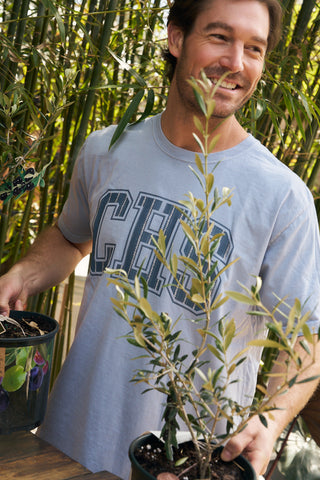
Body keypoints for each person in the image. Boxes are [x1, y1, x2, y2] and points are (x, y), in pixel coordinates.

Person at [0, 0, 319, 477]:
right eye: (219, 37)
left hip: (186, 463)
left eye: (253, 48)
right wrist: (24, 271)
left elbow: (304, 337)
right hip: (65, 442)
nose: (236, 62)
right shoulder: (106, 149)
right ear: (176, 39)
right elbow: (71, 238)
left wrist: (270, 419)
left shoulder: (282, 197)